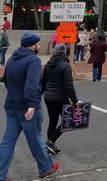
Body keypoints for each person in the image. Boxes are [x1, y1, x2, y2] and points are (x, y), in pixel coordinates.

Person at [0, 31, 60, 179]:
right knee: (35, 139)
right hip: (27, 107)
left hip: (11, 105)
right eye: (38, 43)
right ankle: (46, 168)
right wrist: (32, 105)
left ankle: (1, 174)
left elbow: (6, 80)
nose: (39, 46)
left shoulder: (12, 59)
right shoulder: (33, 60)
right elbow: (32, 84)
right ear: (33, 45)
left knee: (7, 141)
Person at [41, 43, 79, 155]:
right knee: (68, 120)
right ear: (64, 53)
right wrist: (75, 100)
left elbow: (43, 82)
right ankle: (50, 142)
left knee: (53, 121)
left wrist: (42, 93)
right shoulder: (65, 66)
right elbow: (68, 85)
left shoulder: (48, 65)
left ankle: (50, 146)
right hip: (61, 97)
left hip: (48, 96)